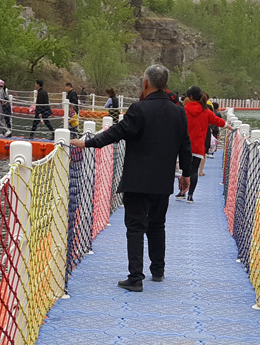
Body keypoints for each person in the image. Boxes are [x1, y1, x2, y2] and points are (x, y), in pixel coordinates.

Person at [70, 64, 192, 292]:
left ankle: (135, 277)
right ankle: (158, 270)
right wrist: (186, 174)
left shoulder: (139, 109)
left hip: (137, 181)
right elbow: (185, 145)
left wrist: (87, 143)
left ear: (146, 83)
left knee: (135, 227)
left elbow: (116, 133)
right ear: (165, 85)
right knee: (158, 225)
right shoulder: (178, 112)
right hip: (162, 181)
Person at [178, 85, 226, 203]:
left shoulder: (183, 110)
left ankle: (181, 192)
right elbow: (217, 121)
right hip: (198, 146)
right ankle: (190, 195)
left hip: (184, 145)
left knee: (184, 170)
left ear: (189, 97)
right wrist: (228, 126)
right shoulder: (206, 111)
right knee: (194, 170)